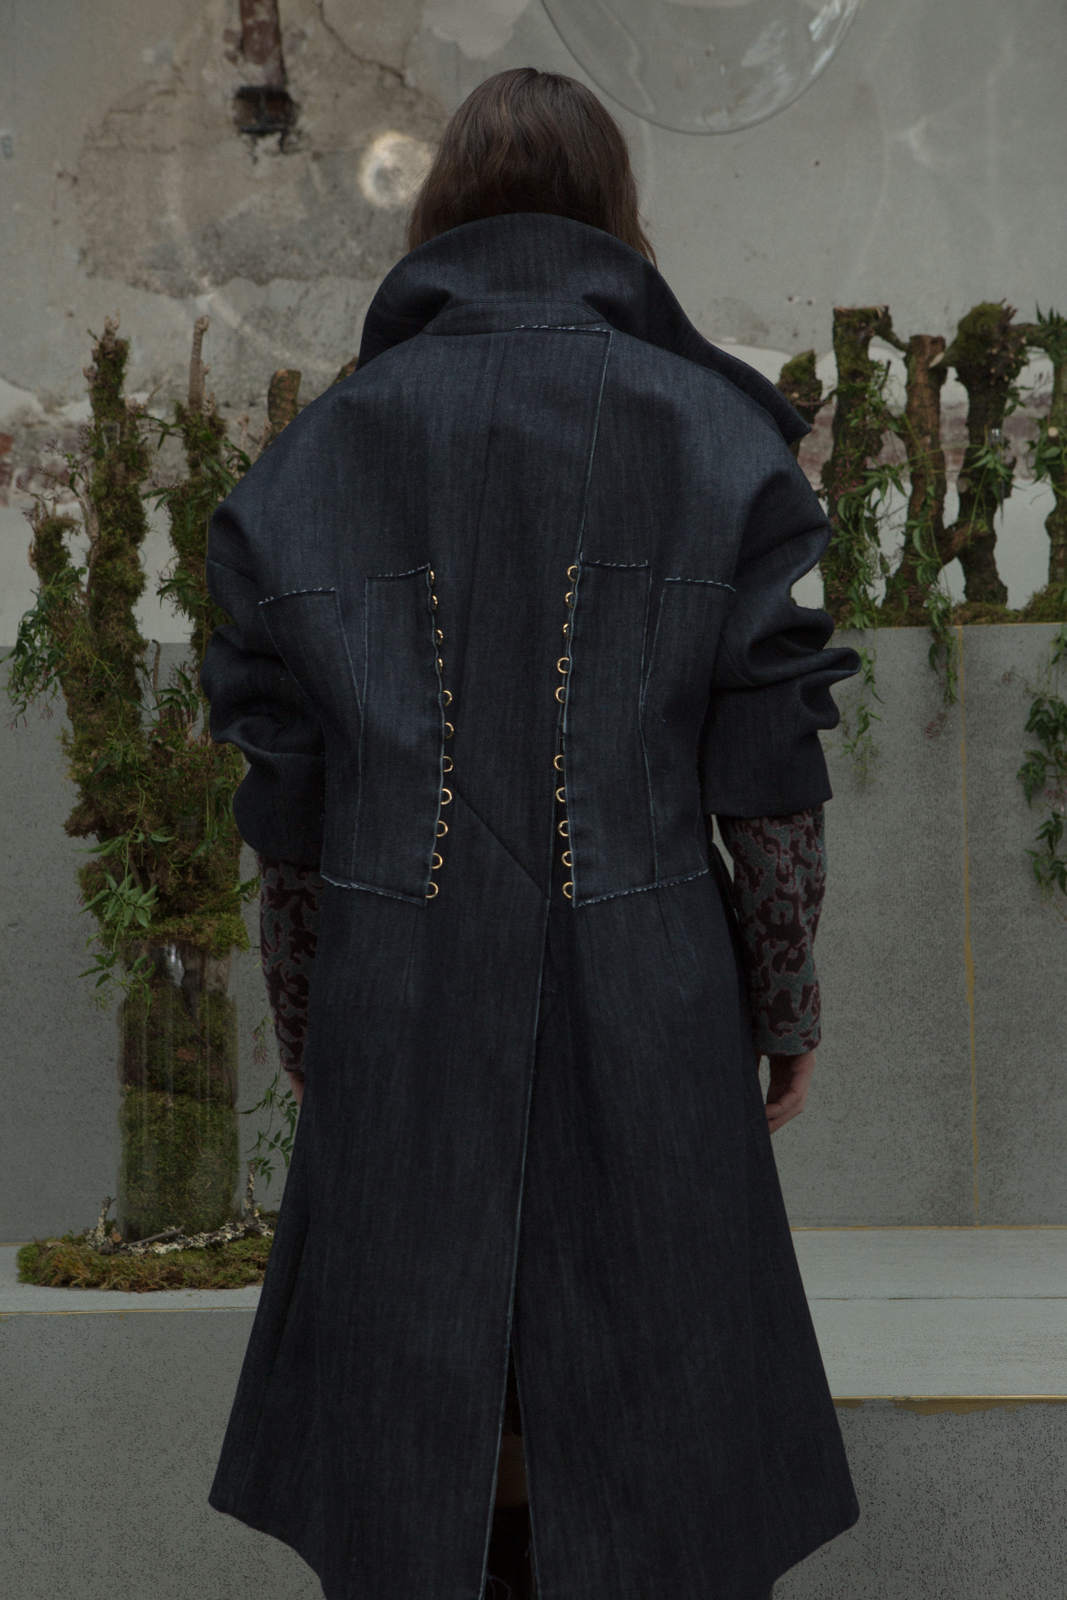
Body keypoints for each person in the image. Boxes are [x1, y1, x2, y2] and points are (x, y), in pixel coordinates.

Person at [202, 67, 860, 1600]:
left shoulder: (319, 458)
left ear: (438, 216)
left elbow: (288, 815)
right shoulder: (716, 436)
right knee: (664, 1441)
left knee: (415, 1449)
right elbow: (767, 789)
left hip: (396, 1001)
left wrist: (308, 1017)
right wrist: (785, 1008)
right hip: (654, 1002)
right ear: (618, 215)